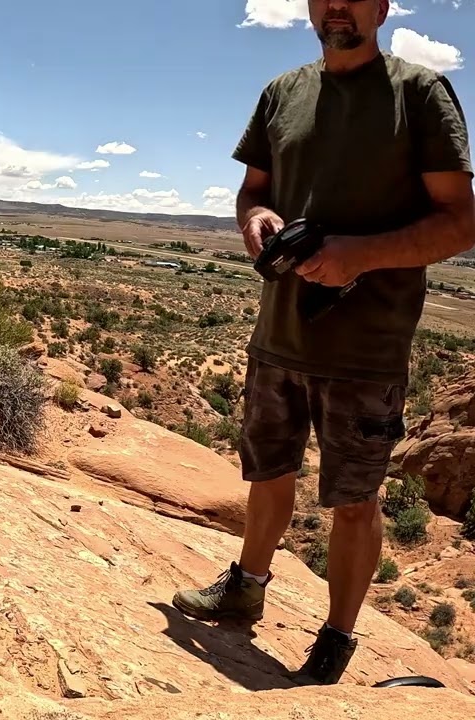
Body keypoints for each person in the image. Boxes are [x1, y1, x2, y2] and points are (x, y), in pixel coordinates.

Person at [172, 0, 473, 687]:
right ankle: (246, 586)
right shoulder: (283, 92)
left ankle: (336, 640)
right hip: (278, 330)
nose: (335, 5)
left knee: (355, 501)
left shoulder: (417, 94)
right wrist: (257, 220)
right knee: (267, 472)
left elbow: (460, 223)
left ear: (382, 6)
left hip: (365, 347)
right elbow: (251, 192)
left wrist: (357, 257)